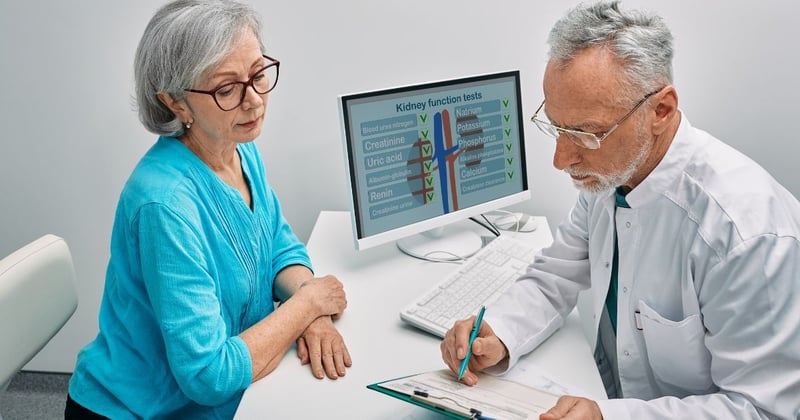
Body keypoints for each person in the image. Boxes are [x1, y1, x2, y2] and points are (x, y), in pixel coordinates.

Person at [440, 1, 800, 419]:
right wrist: (498, 331)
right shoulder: (610, 177)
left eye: (586, 134)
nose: (560, 159)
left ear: (660, 111)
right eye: (556, 127)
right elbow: (556, 275)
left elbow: (763, 409)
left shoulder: (745, 233)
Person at [65, 0, 352, 418]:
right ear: (176, 103)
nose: (253, 101)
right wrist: (307, 307)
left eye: (258, 74)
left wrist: (312, 309)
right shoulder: (164, 205)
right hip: (141, 410)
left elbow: (277, 249)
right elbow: (208, 374)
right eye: (226, 88)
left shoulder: (237, 148)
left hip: (233, 390)